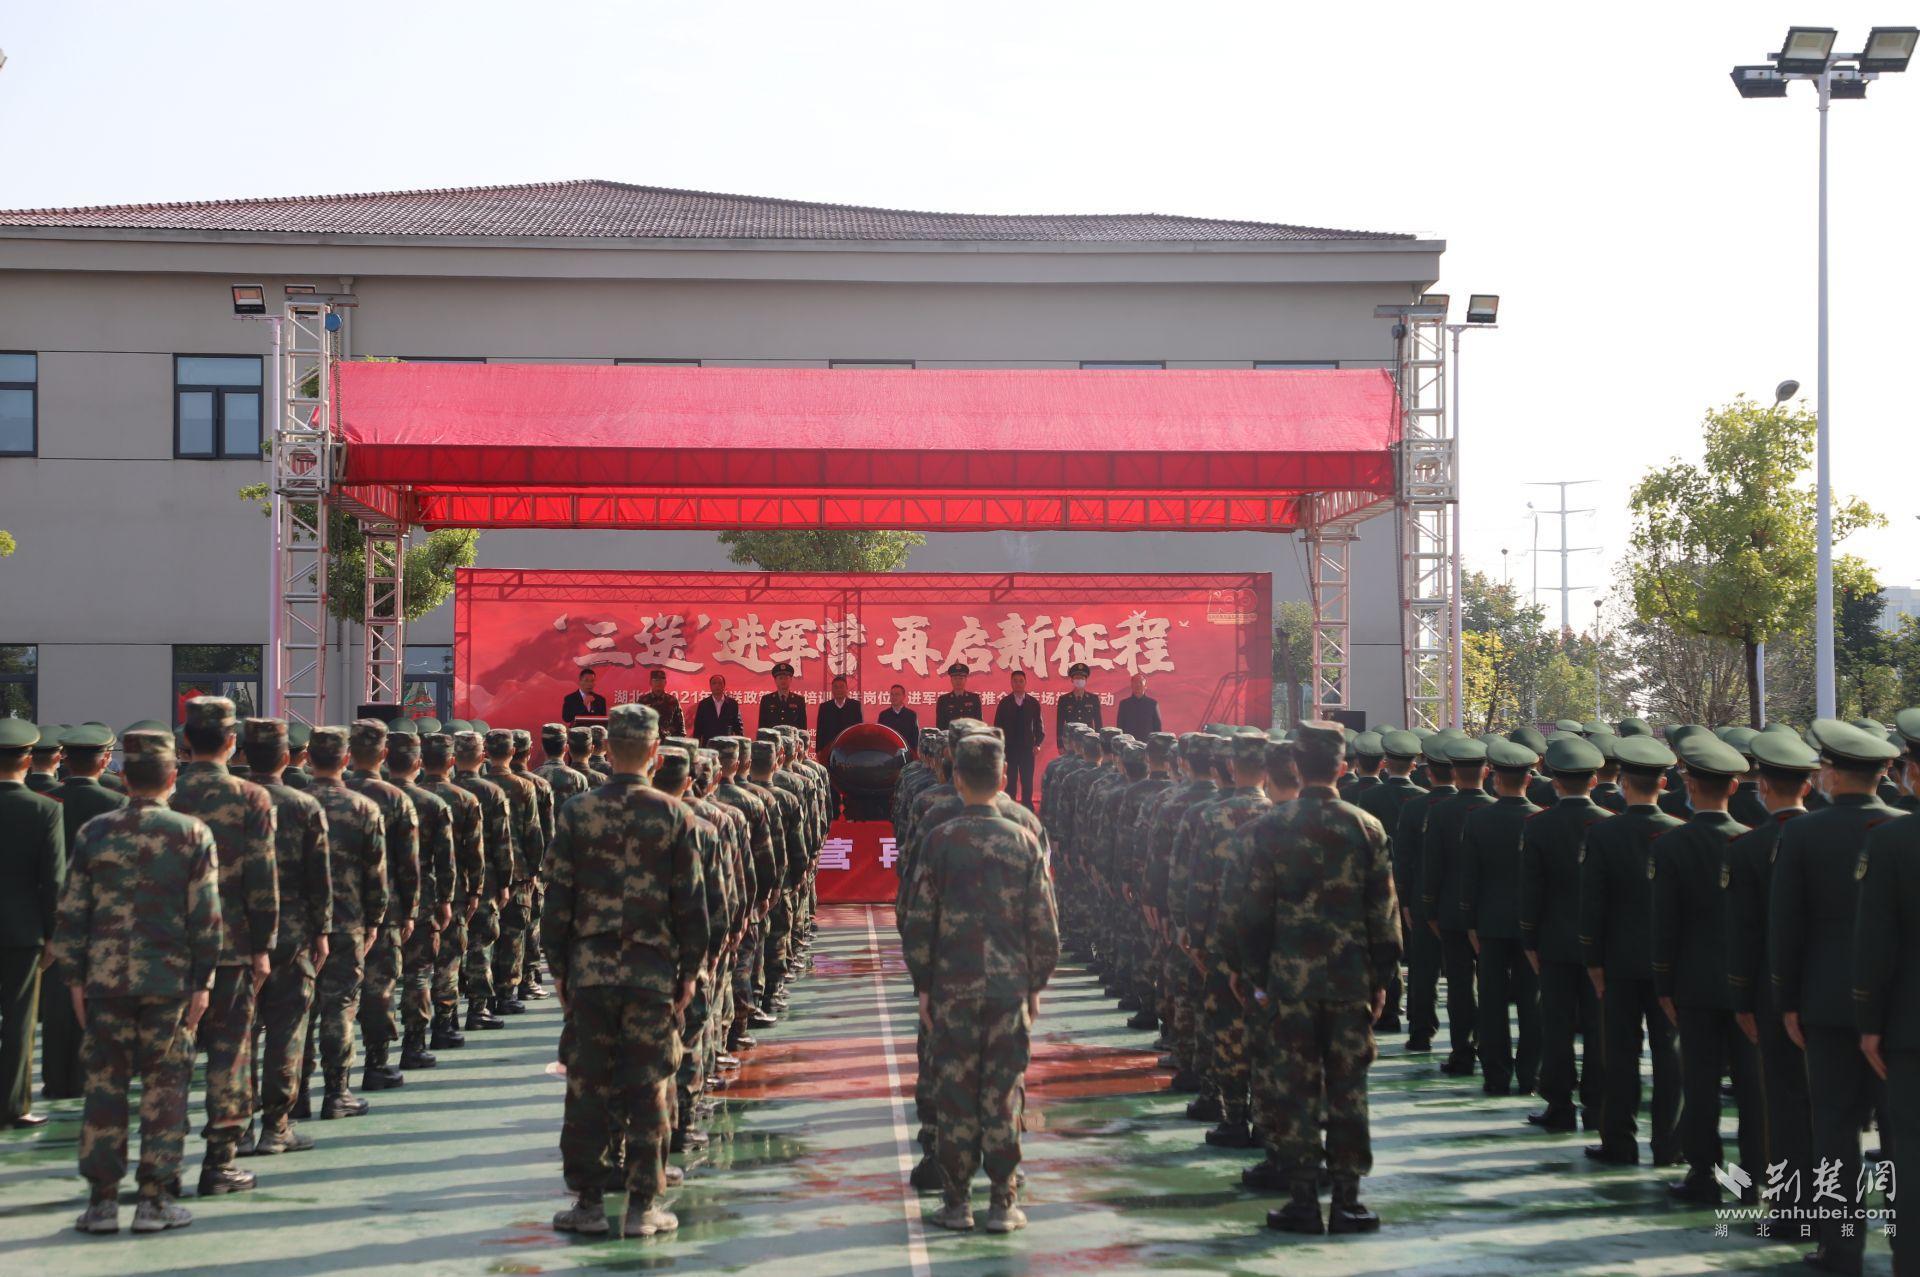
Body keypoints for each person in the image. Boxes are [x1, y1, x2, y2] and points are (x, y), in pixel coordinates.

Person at [1220, 720, 1400, 1235]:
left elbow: (1250, 912)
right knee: (1348, 1091)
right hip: (1348, 985)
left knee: (1293, 1090)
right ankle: (1347, 1202)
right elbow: (1383, 913)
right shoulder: (1366, 827)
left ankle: (1302, 1198)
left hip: (1285, 985)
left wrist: (1248, 974)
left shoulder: (1267, 828)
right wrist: (1383, 979)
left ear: (1295, 767)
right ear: (1342, 768)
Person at [545, 703, 709, 1241]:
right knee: (650, 1085)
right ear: (656, 754)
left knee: (587, 1086)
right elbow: (691, 904)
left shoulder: (577, 812)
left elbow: (558, 899)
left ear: (606, 750)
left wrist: (560, 970)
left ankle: (589, 1202)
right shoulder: (675, 815)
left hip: (590, 972)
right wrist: (688, 972)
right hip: (652, 972)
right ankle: (643, 1206)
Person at [52, 728, 220, 1235]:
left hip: (105, 983)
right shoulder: (192, 833)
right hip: (169, 982)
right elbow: (206, 918)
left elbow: (72, 912)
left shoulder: (94, 832)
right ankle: (154, 1200)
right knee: (164, 1091)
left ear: (122, 776)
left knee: (104, 1091)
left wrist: (75, 980)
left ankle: (102, 1203)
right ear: (173, 777)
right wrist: (203, 982)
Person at [900, 732, 1059, 1234]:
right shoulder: (1025, 839)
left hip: (952, 987)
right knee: (1004, 1092)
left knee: (956, 1091)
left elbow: (918, 918)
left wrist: (923, 985)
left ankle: (956, 1200)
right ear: (1002, 775)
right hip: (1009, 989)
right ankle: (1003, 1199)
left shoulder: (940, 839)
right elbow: (1046, 926)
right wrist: (1034, 984)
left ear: (956, 774)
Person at [1770, 718, 1901, 1274]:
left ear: (1829, 773)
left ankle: (1840, 1244)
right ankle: (1904, 1242)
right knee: (1901, 1134)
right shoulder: (1902, 829)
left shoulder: (1803, 833)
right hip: (1896, 1005)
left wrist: (1787, 1000)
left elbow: (1786, 925)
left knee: (1835, 1127)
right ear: (1883, 773)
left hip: (1823, 1000)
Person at [168, 696, 278, 1197]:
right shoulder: (251, 797)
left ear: (187, 741)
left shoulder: (165, 793)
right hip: (232, 947)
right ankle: (220, 1163)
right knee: (231, 1055)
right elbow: (262, 878)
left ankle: (163, 1166)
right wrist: (262, 945)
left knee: (170, 1060)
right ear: (233, 742)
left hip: (170, 947)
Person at [1650, 731, 1759, 1205]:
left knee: (1700, 1080)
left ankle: (1703, 1173)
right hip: (1747, 983)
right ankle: (1754, 1177)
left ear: (1689, 785)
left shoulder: (1673, 845)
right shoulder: (1752, 843)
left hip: (1692, 982)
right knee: (1754, 1085)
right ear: (1734, 787)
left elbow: (1665, 923)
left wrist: (1664, 982)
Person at [1580, 734, 1683, 1166]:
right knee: (1670, 1055)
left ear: (1622, 782)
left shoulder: (1604, 834)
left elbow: (1593, 904)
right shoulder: (1681, 833)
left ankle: (1618, 1140)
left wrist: (1595, 961)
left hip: (1619, 963)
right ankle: (1669, 1145)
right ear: (1663, 783)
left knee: (1619, 1054)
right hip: (1672, 966)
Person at [236, 718, 330, 1158]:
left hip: (233, 934)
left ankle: (234, 1127)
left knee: (237, 1034)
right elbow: (319, 878)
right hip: (291, 934)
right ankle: (276, 1125)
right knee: (287, 1030)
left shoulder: (227, 800)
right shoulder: (303, 804)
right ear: (291, 758)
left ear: (242, 754)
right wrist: (322, 930)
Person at [1853, 711, 1920, 1276]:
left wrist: (1870, 1022)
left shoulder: (1894, 841)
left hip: (1909, 1025)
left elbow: (1877, 942)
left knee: (1910, 1152)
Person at [1517, 734, 1609, 1134]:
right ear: (1593, 780)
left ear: (1555, 781)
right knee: (1599, 1026)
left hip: (1553, 942)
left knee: (1555, 1025)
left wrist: (1530, 940)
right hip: (1602, 945)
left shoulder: (1539, 825)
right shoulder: (1610, 824)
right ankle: (1597, 1104)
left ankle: (1559, 1104)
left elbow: (1531, 890)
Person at [300, 727, 389, 1123]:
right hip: (347, 920)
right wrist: (375, 920)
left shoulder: (290, 803)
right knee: (339, 1006)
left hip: (297, 925)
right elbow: (377, 874)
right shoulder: (362, 807)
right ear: (344, 757)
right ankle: (337, 1092)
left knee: (297, 1011)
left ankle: (295, 1094)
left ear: (307, 758)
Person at [42, 724, 128, 1103]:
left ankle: (55, 1078)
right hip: (102, 915)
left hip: (54, 909)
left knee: (57, 1001)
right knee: (99, 1001)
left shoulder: (45, 798)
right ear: (105, 759)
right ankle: (90, 1075)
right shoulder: (117, 803)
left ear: (65, 759)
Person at [343, 721, 422, 1095]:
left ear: (348, 754)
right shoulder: (395, 798)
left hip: (332, 912)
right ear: (384, 754)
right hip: (384, 910)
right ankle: (376, 1064)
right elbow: (409, 865)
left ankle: (331, 1082)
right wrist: (409, 910)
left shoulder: (326, 793)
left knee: (332, 999)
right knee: (378, 991)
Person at [1459, 738, 1541, 1097]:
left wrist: (1472, 923)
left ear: (1494, 778)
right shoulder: (1540, 819)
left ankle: (1496, 1073)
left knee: (1491, 1002)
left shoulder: (1479, 820)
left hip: (1490, 924)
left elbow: (1470, 877)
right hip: (1533, 926)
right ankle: (1529, 1074)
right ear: (1529, 779)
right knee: (1531, 1002)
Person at [0, 718, 64, 1129]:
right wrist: (55, 937)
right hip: (24, 931)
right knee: (20, 1020)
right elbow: (53, 880)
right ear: (28, 758)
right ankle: (13, 1105)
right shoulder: (45, 809)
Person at [1422, 736, 1493, 1077]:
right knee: (1492, 985)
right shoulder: (1493, 809)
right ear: (1487, 770)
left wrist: (1430, 910)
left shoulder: (1440, 811)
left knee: (1460, 986)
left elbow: (1431, 866)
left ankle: (1462, 1052)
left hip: (1451, 913)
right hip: (1489, 914)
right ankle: (1490, 1048)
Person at [992, 670, 1044, 809]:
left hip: (1028, 749)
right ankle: (1010, 807)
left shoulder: (1033, 703)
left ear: (1025, 682)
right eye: (1015, 680)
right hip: (1009, 749)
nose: (1018, 683)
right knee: (1011, 780)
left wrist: (1037, 743)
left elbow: (1039, 726)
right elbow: (997, 727)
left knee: (1027, 780)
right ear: (1011, 683)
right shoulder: (1004, 703)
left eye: (1021, 680)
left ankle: (1027, 807)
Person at [814, 675, 863, 818]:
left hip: (849, 753)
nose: (838, 690)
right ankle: (833, 812)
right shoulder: (825, 707)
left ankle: (851, 812)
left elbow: (858, 730)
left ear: (847, 689)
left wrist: (858, 751)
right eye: (835, 687)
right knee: (832, 783)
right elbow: (820, 729)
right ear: (832, 690)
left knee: (849, 782)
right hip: (830, 753)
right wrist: (819, 750)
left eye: (841, 686)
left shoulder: (855, 706)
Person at [1055, 661, 1102, 746]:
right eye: (1077, 678)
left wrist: (1099, 743)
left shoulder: (1093, 699)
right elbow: (1060, 724)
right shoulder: (1064, 699)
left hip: (1088, 742)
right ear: (1072, 680)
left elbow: (1098, 723)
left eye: (1082, 678)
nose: (1079, 680)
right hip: (1071, 742)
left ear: (1086, 680)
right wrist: (1060, 744)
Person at [693, 674, 744, 745]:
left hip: (727, 745)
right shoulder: (703, 704)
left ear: (724, 686)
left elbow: (738, 727)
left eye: (720, 683)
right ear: (710, 686)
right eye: (714, 683)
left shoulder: (732, 704)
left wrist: (740, 746)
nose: (717, 686)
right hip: (709, 745)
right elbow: (698, 728)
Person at [638, 668, 686, 738]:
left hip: (668, 741)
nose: (658, 683)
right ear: (650, 682)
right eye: (656, 680)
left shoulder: (672, 700)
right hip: (648, 739)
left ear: (665, 682)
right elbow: (637, 722)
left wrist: (680, 739)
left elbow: (680, 723)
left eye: (661, 680)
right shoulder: (643, 700)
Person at [935, 663, 982, 731]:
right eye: (955, 678)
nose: (958, 681)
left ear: (966, 680)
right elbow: (940, 724)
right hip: (950, 738)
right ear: (951, 680)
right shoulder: (943, 700)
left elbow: (978, 722)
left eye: (961, 678)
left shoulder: (974, 698)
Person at [879, 684, 919, 758]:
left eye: (897, 694)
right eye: (892, 694)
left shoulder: (911, 715)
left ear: (904, 697)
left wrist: (914, 753)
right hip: (888, 755)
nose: (894, 697)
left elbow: (915, 736)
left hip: (907, 754)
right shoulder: (883, 715)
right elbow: (881, 736)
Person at [1115, 673, 1160, 740]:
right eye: (1135, 682)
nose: (1138, 685)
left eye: (1140, 683)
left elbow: (1157, 727)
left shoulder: (1153, 704)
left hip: (1147, 744)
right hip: (1128, 744)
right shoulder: (1124, 704)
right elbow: (1120, 726)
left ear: (1145, 686)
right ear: (1131, 685)